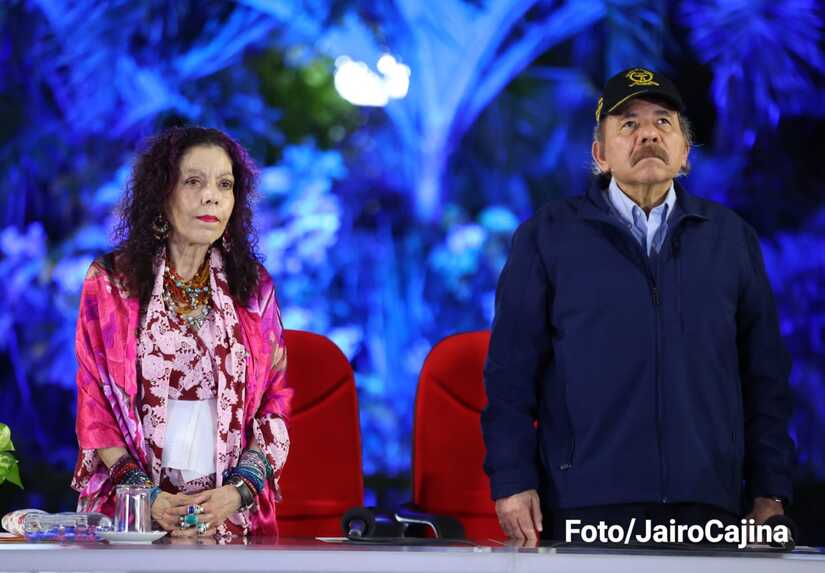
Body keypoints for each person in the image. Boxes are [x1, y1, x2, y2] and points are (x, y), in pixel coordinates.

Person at [481, 68, 795, 543]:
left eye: (663, 122)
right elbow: (510, 376)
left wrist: (770, 488)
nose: (648, 134)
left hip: (708, 507)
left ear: (685, 153)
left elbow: (764, 378)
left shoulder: (731, 239)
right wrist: (512, 480)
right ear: (600, 154)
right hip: (586, 506)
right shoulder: (547, 236)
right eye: (628, 124)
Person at [72, 126, 292, 538]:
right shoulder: (110, 282)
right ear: (162, 193)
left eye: (224, 185)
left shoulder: (254, 289)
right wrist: (145, 496)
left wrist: (238, 492)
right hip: (131, 514)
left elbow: (275, 403)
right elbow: (95, 406)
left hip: (227, 515)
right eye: (193, 181)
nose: (211, 196)